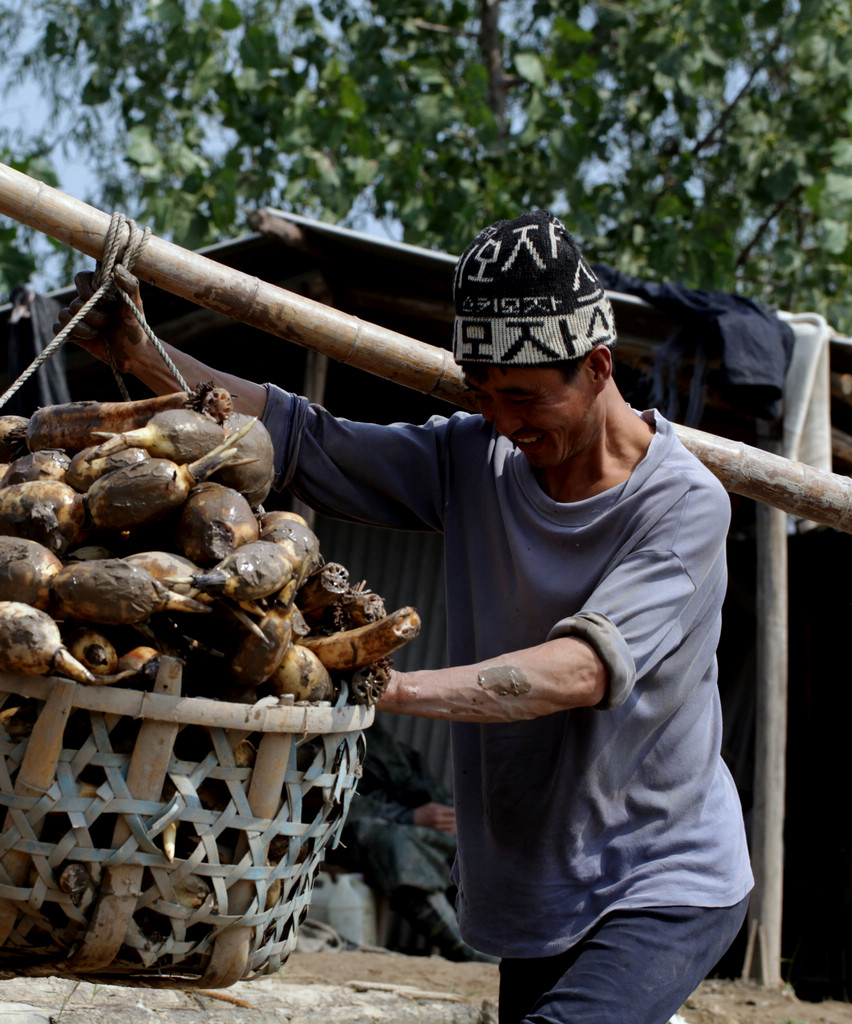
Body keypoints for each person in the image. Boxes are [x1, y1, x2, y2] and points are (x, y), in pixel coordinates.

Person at [56, 210, 753, 1024]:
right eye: (482, 396)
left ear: (597, 367)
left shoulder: (681, 506)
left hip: (660, 874)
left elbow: (580, 670)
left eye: (524, 397)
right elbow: (304, 440)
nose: (505, 422)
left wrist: (374, 682)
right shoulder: (478, 454)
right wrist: (145, 357)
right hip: (536, 880)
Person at [323, 717, 489, 961]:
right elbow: (328, 801)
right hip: (339, 835)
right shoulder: (320, 732)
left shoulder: (376, 735)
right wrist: (409, 816)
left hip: (402, 827)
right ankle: (465, 951)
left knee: (475, 845)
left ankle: (495, 944)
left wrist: (446, 816)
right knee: (396, 844)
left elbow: (416, 781)